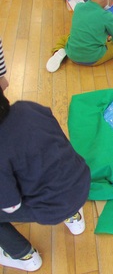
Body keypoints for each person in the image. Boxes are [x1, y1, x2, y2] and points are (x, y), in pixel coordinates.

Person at [0, 87, 91, 272]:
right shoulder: (27, 108)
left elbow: (11, 205)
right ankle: (74, 217)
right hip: (80, 180)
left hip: (51, 207)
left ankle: (23, 255)